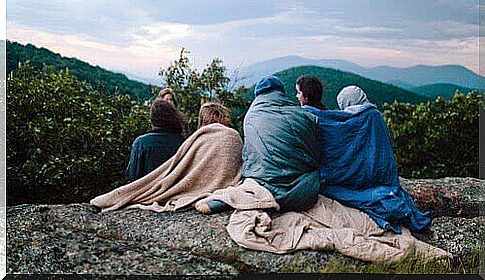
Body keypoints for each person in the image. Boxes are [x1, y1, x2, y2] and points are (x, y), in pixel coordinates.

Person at [302, 84, 431, 233]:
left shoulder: (357, 118)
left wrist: (306, 112)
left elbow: (334, 129)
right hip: (384, 176)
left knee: (330, 186)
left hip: (360, 178)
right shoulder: (374, 114)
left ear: (347, 102)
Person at [91, 102, 243, 213]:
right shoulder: (185, 140)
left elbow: (133, 177)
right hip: (218, 190)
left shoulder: (143, 142)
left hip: (163, 191)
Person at [240, 75, 323, 211]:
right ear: (281, 92)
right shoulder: (303, 116)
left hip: (261, 187)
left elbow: (249, 155)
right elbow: (316, 154)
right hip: (302, 193)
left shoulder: (249, 117)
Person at [125, 98, 185, 183]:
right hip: (177, 194)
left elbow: (132, 177)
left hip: (147, 194)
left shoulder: (141, 143)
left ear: (152, 119)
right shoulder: (183, 142)